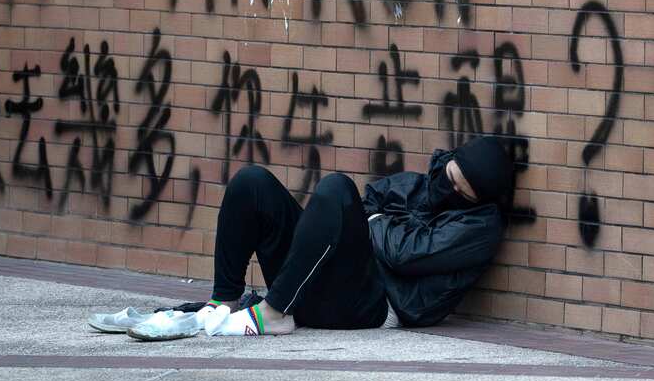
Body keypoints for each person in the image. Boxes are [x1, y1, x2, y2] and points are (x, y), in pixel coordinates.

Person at [93, 136, 514, 340]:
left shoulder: (479, 227)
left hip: (374, 304)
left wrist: (373, 222)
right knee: (252, 183)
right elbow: (374, 200)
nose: (448, 190)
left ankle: (271, 313)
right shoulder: (425, 182)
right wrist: (375, 219)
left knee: (335, 189)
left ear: (478, 200)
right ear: (450, 162)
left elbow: (405, 254)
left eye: (461, 193)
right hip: (330, 282)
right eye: (449, 178)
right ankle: (222, 302)